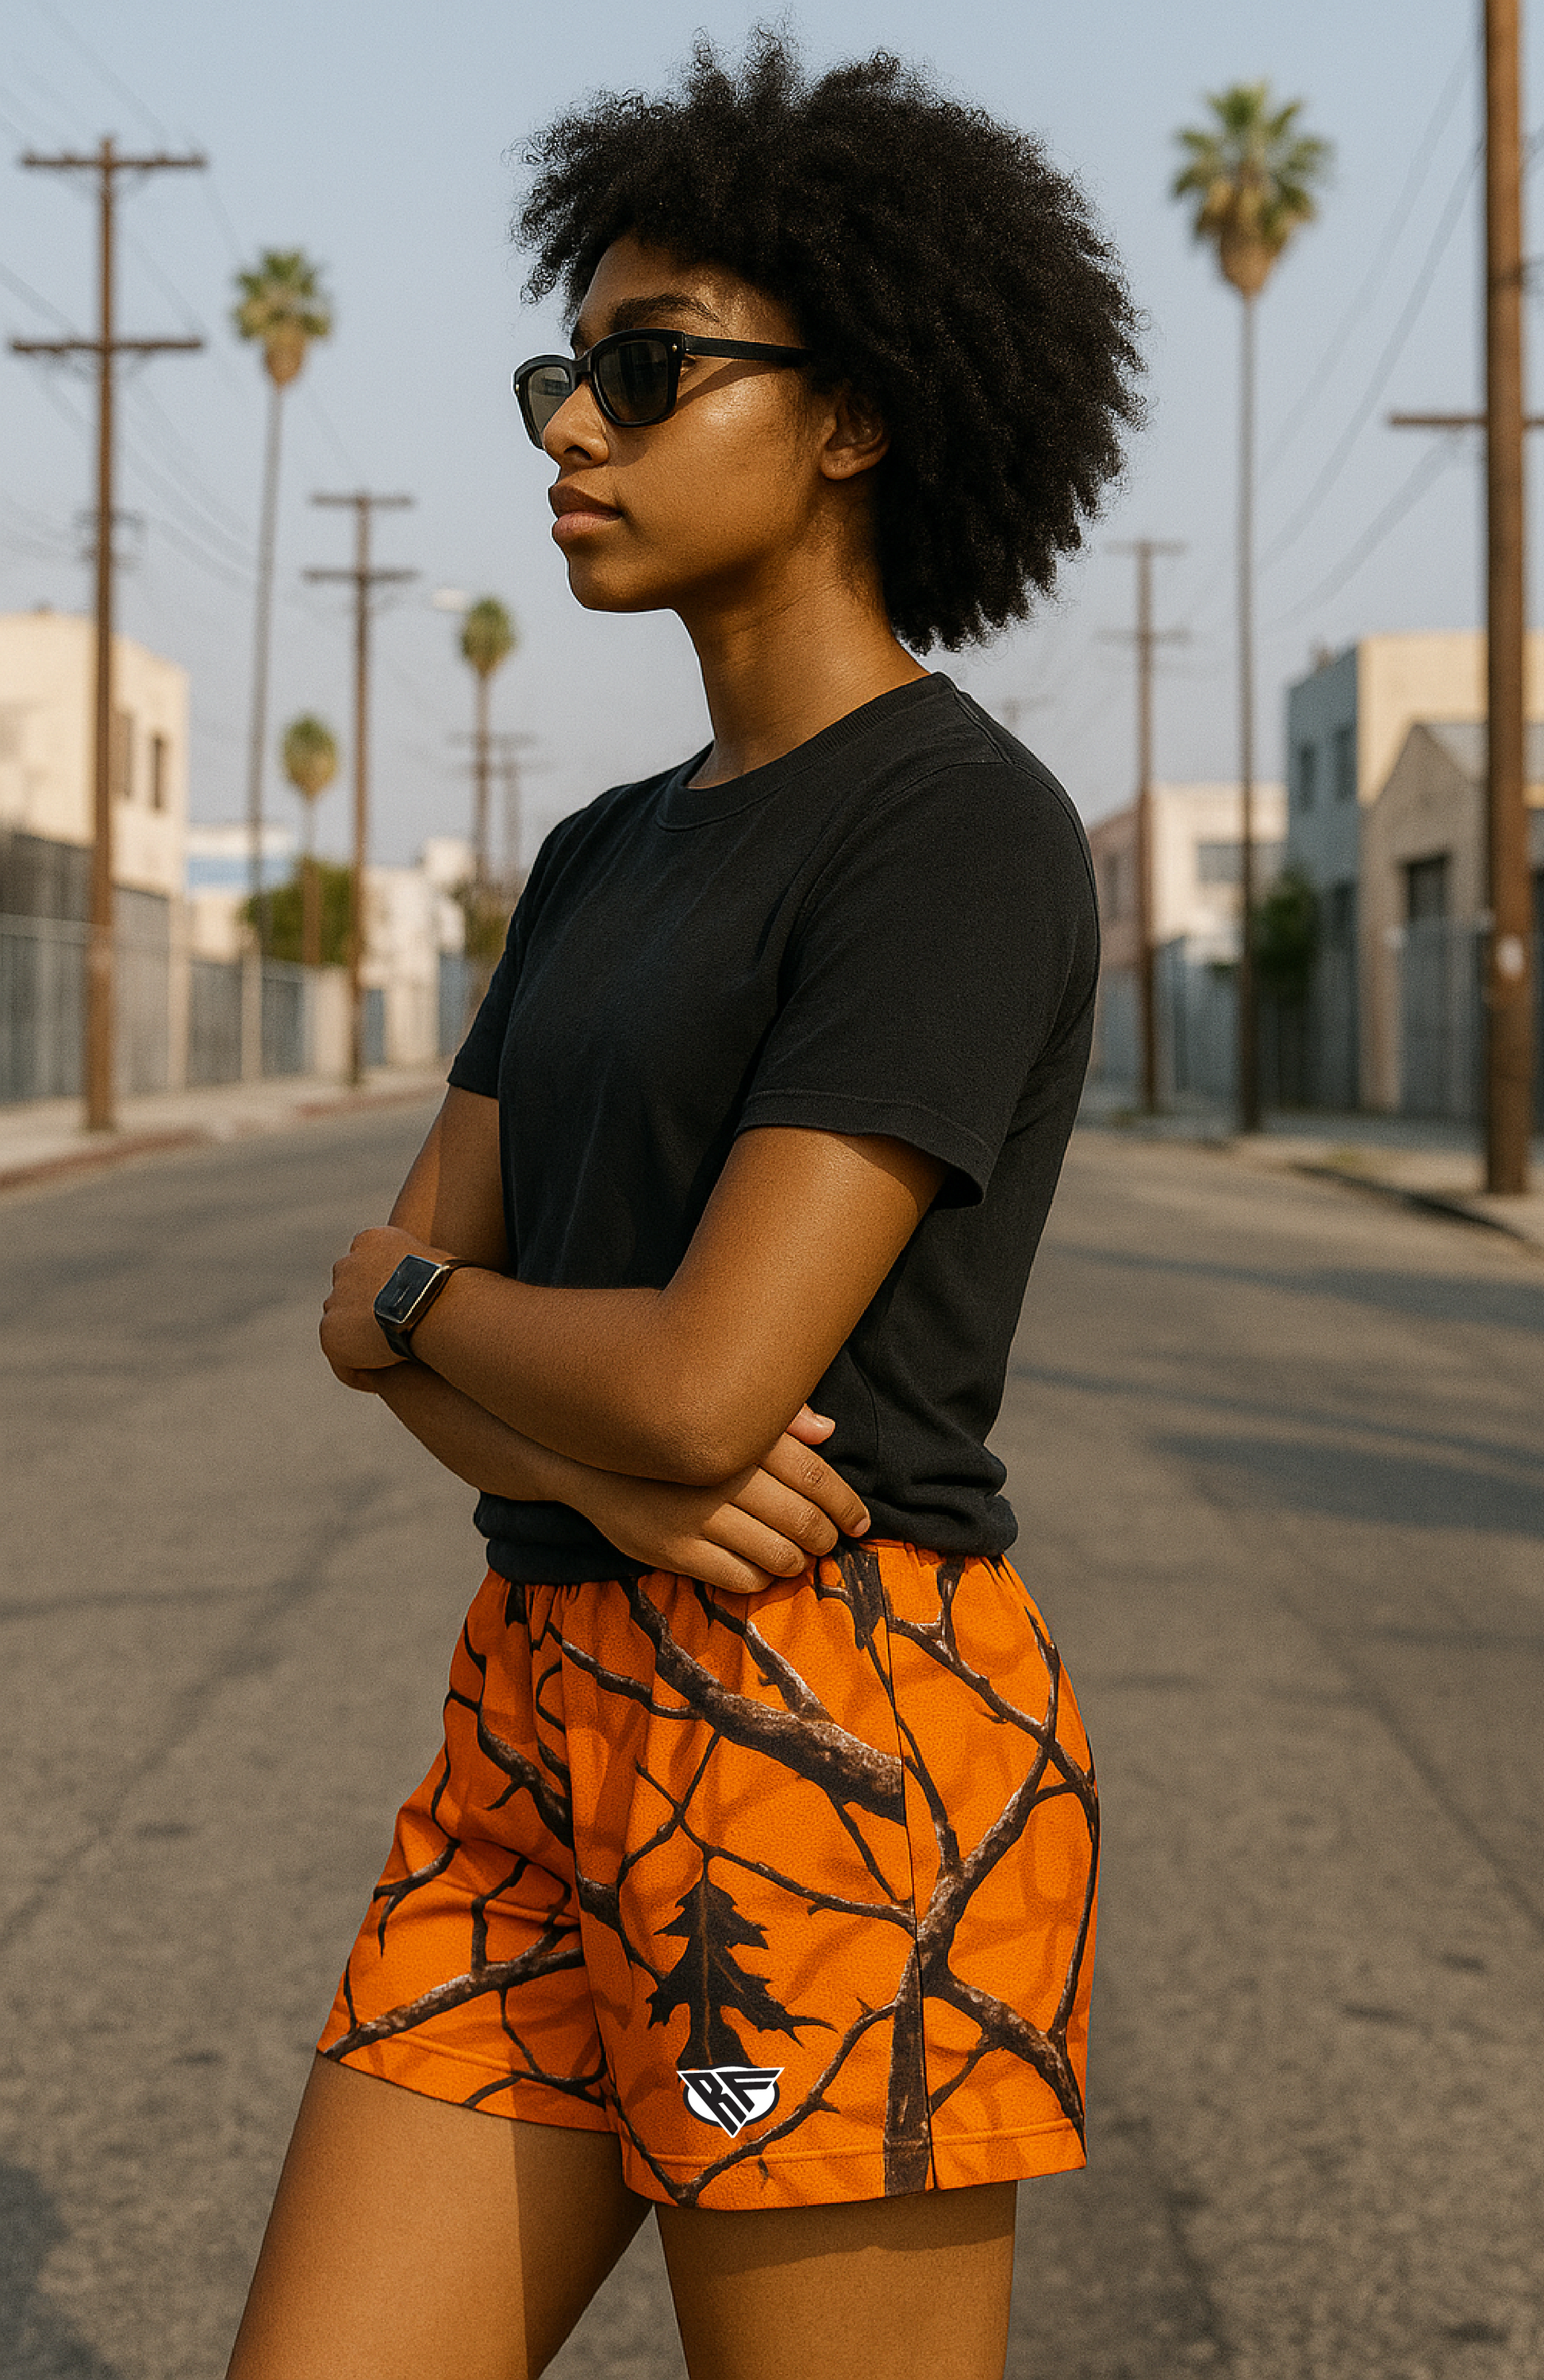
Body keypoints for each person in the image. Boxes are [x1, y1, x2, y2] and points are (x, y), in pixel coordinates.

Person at [227, 33, 1140, 2380]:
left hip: (829, 1740)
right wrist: (566, 1454)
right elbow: (389, 1327)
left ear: (856, 414)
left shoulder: (953, 831)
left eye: (649, 371)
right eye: (569, 368)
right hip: (534, 1711)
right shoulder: (600, 856)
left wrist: (438, 1299)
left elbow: (711, 1372)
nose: (570, 429)